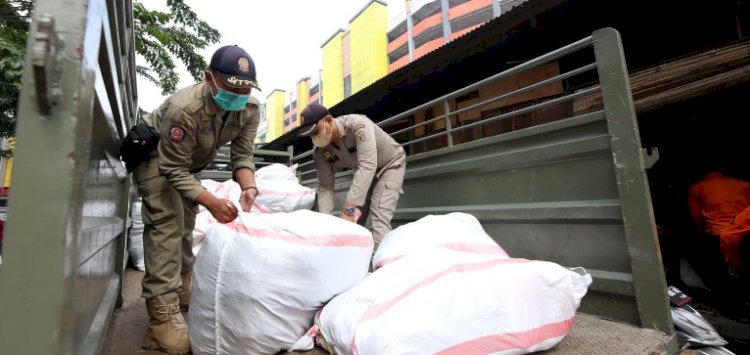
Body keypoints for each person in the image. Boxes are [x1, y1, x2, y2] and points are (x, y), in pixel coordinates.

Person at [132, 45, 261, 354]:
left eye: (244, 90)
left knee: (187, 226)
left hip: (189, 166)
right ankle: (160, 322)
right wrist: (212, 202)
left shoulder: (249, 109)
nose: (237, 96)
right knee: (167, 225)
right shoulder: (184, 109)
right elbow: (171, 168)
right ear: (209, 77)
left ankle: (182, 289)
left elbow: (242, 154)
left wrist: (249, 187)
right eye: (231, 88)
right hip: (156, 161)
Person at [297, 104, 406, 247]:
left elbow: (368, 166)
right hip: (363, 173)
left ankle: (382, 265)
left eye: (316, 131)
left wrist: (348, 208)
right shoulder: (319, 152)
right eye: (311, 135)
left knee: (378, 218)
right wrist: (325, 222)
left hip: (389, 165)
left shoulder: (357, 125)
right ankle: (356, 259)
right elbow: (325, 187)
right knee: (355, 220)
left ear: (329, 120)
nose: (315, 138)